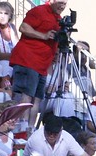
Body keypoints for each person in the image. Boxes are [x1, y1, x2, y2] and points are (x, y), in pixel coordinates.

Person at [9, 0, 68, 130]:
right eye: (60, 2)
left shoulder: (58, 18)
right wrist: (43, 35)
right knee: (26, 96)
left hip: (42, 65)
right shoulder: (39, 11)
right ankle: (22, 128)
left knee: (37, 99)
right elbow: (23, 27)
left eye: (64, 3)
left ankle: (30, 129)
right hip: (28, 59)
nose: (62, 6)